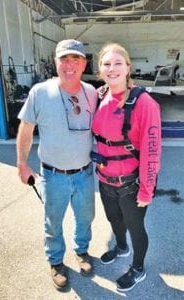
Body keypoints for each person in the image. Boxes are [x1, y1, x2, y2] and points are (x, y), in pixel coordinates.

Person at [16, 39, 97, 290]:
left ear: (84, 63)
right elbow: (26, 128)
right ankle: (56, 262)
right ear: (56, 62)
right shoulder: (40, 92)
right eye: (64, 59)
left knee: (85, 217)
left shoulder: (92, 93)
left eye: (76, 59)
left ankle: (82, 251)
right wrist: (21, 163)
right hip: (54, 175)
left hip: (85, 172)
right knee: (53, 221)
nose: (69, 64)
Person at [92, 43, 161, 292]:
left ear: (128, 68)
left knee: (135, 227)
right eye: (106, 64)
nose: (112, 69)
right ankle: (121, 248)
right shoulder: (99, 96)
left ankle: (138, 267)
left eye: (118, 63)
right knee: (113, 219)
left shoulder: (144, 104)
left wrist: (147, 189)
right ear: (99, 69)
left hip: (131, 183)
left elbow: (152, 151)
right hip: (105, 178)